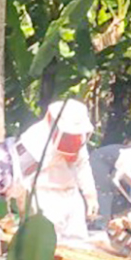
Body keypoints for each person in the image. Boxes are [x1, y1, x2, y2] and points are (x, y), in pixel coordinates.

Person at [16, 99, 99, 243]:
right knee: (49, 247)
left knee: (78, 246)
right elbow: (18, 177)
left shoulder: (78, 135)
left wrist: (90, 195)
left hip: (72, 197)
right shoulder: (34, 139)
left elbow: (82, 165)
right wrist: (25, 211)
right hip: (44, 199)